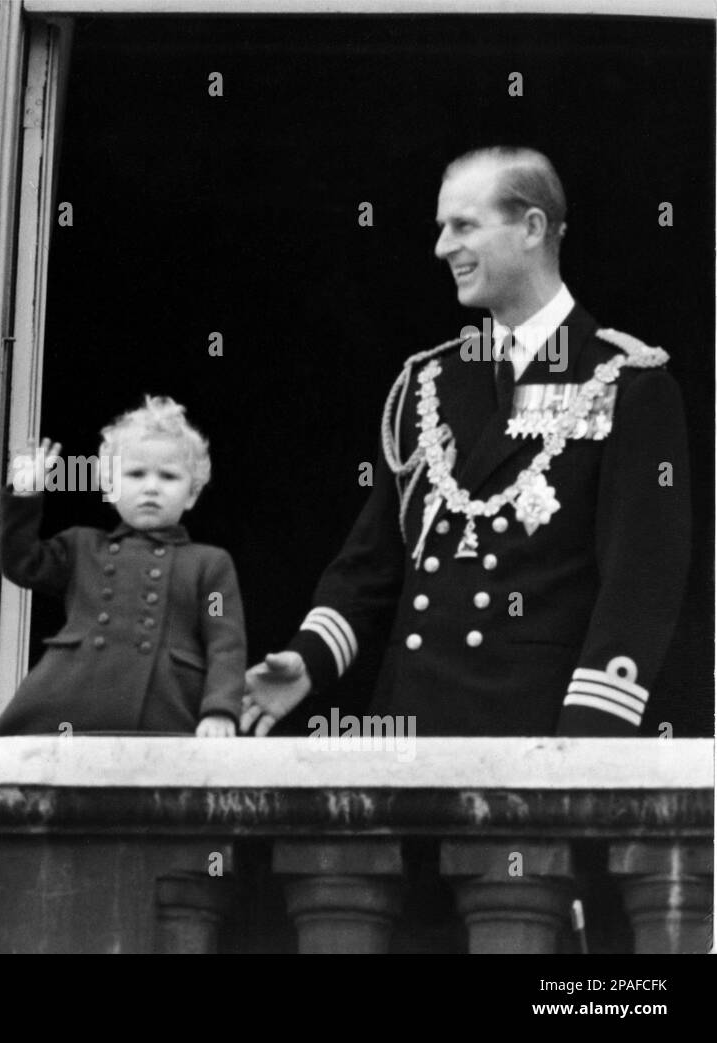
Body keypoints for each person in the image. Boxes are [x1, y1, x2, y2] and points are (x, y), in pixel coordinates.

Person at [241, 146, 691, 738]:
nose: (442, 247)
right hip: (409, 730)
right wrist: (309, 660)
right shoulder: (431, 383)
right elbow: (372, 564)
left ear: (532, 228)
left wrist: (589, 746)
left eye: (464, 226)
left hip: (534, 737)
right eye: (441, 228)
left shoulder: (626, 383)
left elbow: (641, 583)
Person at [0, 396, 246, 736]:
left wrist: (219, 711)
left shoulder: (209, 564)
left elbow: (224, 644)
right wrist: (24, 496)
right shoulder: (81, 547)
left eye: (169, 476)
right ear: (109, 487)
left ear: (192, 494)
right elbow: (22, 565)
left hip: (165, 710)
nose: (151, 487)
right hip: (70, 704)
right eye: (136, 474)